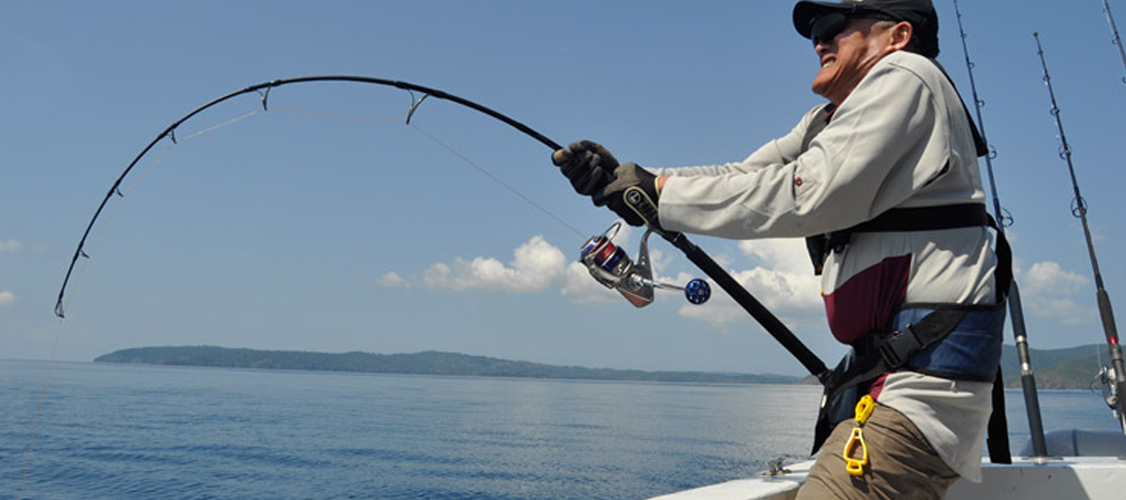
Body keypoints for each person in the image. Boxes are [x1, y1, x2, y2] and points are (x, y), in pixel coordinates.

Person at [552, 1, 1011, 498]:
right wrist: (633, 182)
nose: (819, 42)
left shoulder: (909, 75)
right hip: (883, 388)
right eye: (816, 30)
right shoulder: (827, 121)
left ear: (898, 36)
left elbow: (804, 193)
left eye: (833, 26)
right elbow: (744, 177)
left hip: (920, 396)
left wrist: (657, 196)